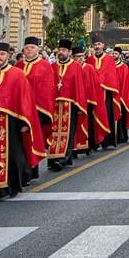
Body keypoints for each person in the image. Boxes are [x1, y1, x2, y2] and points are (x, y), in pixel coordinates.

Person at [0, 41, 46, 200]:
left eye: (2, 54)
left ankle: (12, 186)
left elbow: (25, 102)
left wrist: (24, 124)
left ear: (7, 55)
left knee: (14, 156)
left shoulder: (17, 74)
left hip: (12, 123)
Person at [20, 36, 57, 177]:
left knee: (33, 141)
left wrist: (43, 112)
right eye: (27, 48)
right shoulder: (18, 66)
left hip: (37, 111)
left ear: (38, 49)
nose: (29, 50)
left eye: (32, 48)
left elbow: (47, 90)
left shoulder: (44, 66)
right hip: (20, 111)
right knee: (21, 143)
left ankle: (31, 171)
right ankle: (22, 171)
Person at [47, 39, 87, 170]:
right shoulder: (52, 67)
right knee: (54, 132)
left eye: (64, 50)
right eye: (59, 50)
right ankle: (53, 158)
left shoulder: (75, 66)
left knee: (68, 132)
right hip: (55, 104)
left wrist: (79, 105)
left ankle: (64, 158)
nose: (61, 52)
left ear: (69, 52)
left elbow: (79, 86)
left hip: (70, 104)